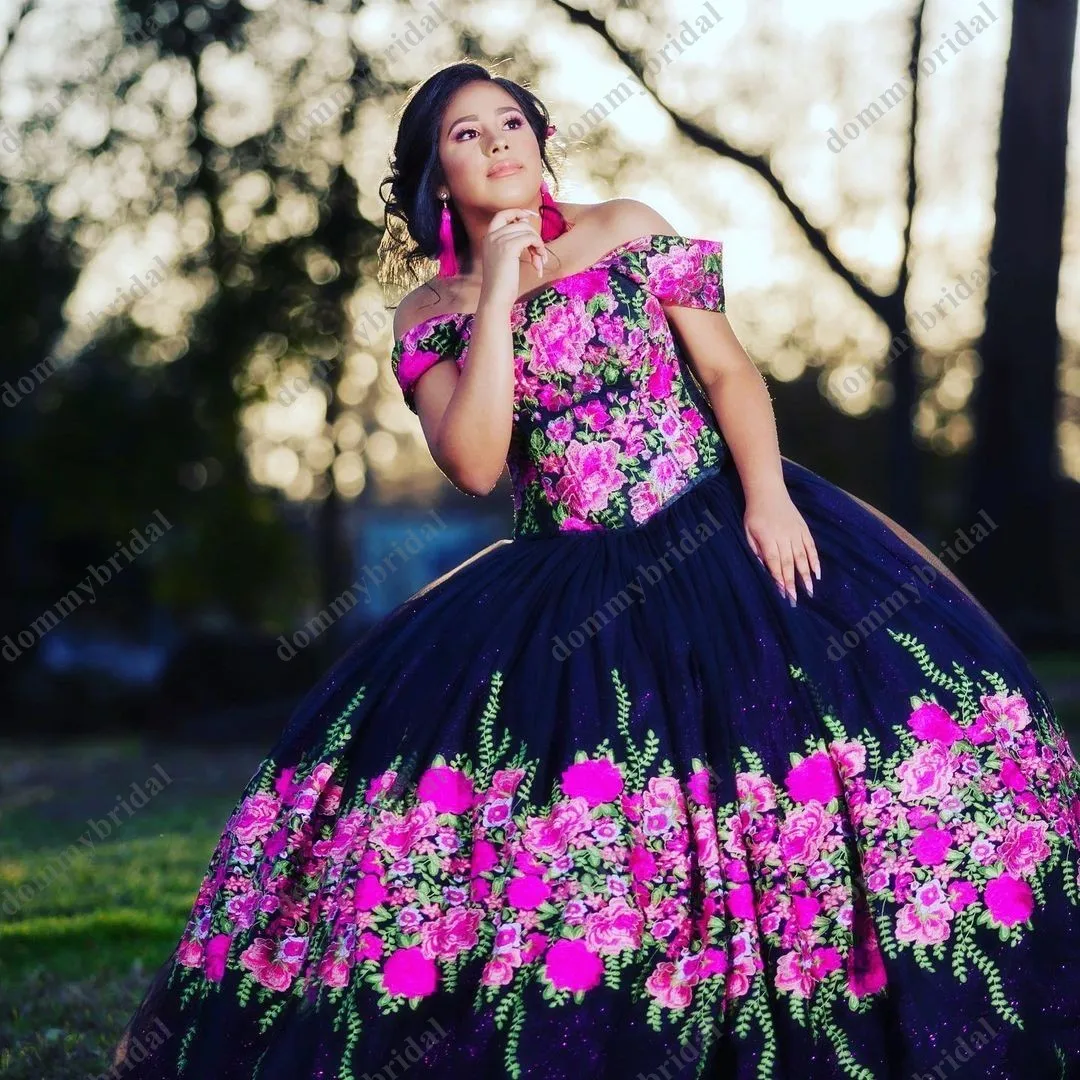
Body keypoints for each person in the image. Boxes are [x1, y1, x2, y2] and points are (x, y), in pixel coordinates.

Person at [109, 60, 1080, 1080]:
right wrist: (494, 297)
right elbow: (479, 460)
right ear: (435, 177)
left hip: (721, 525)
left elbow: (727, 369)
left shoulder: (626, 226)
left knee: (858, 737)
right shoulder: (427, 313)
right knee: (576, 819)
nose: (501, 143)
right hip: (566, 572)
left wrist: (769, 498)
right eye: (468, 135)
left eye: (511, 122)